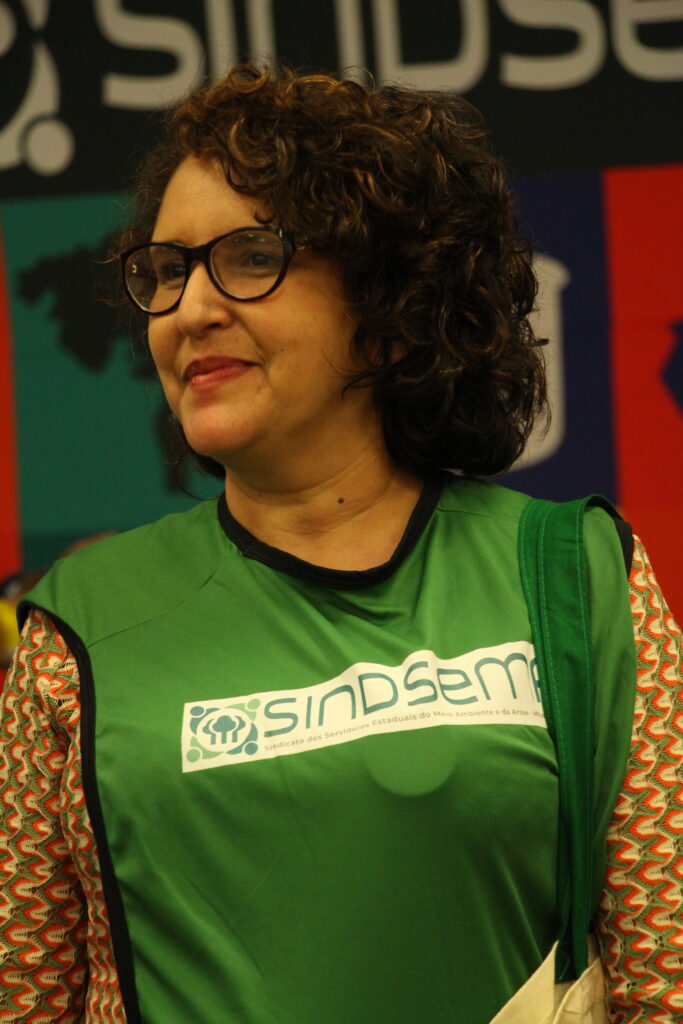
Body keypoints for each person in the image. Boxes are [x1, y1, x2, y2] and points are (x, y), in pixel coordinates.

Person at [0, 65, 680, 1024]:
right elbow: (27, 998)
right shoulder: (78, 626)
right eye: (167, 270)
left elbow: (666, 975)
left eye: (249, 257)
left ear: (393, 306)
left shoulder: (580, 575)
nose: (190, 309)